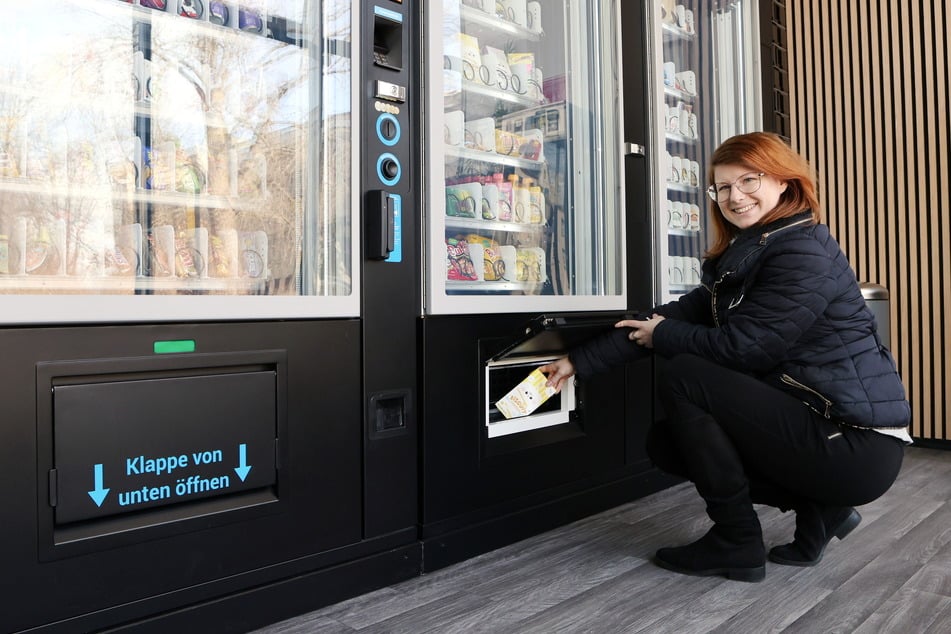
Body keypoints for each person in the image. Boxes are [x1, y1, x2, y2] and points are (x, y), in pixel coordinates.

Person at [539, 132, 911, 583]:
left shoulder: (800, 250)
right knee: (668, 443)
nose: (735, 197)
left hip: (854, 441)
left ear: (783, 182)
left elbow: (746, 349)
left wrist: (667, 335)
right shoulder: (751, 252)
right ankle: (822, 509)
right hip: (823, 427)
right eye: (723, 187)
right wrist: (578, 362)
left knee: (686, 375)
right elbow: (667, 317)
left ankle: (735, 540)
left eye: (749, 180)